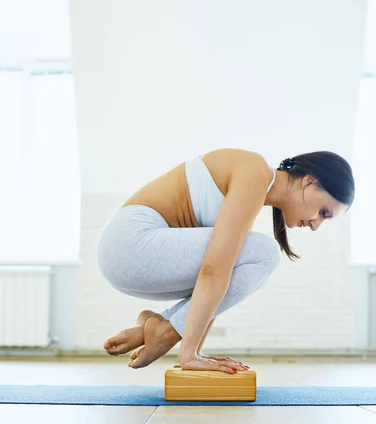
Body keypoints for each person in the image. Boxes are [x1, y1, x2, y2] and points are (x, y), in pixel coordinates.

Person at [96, 148, 355, 374]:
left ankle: (159, 326)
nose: (316, 225)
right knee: (265, 252)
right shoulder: (255, 172)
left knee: (238, 259)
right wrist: (188, 357)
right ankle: (163, 330)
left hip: (127, 255)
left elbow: (217, 278)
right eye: (323, 212)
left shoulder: (255, 187)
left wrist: (195, 350)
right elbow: (213, 271)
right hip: (131, 243)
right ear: (310, 182)